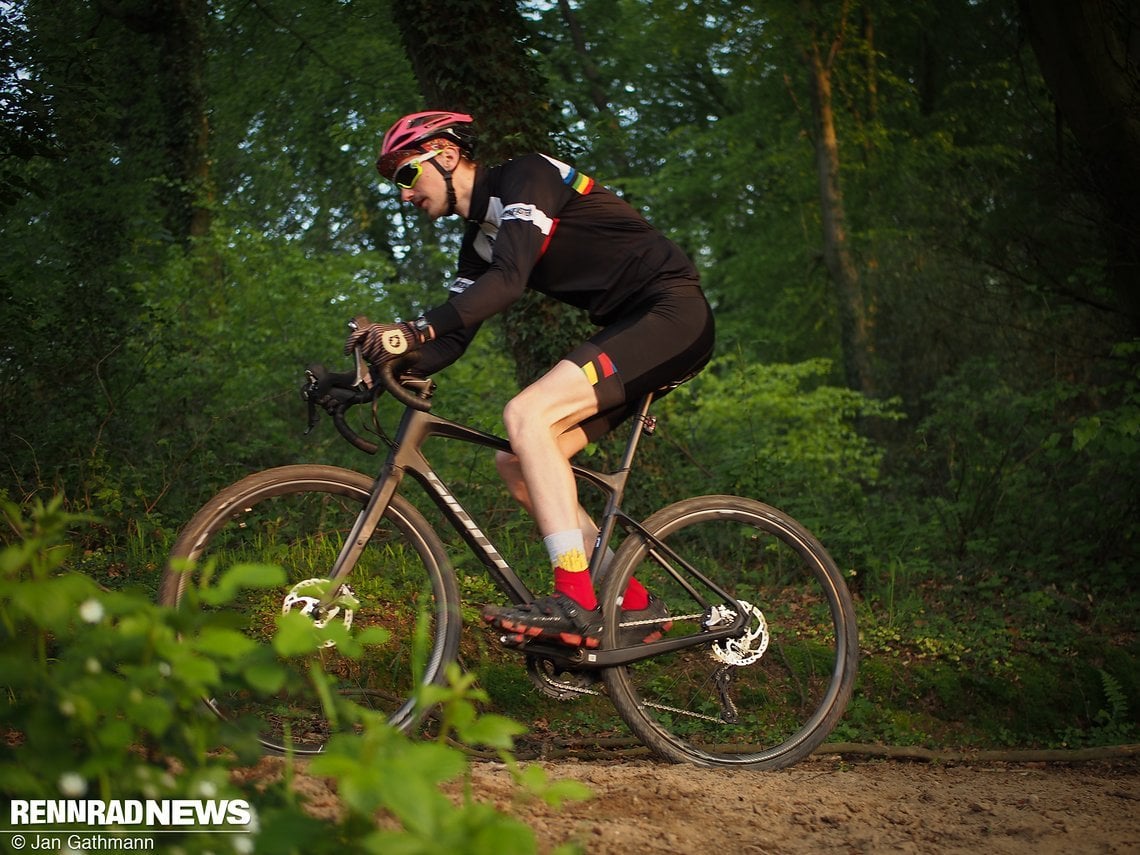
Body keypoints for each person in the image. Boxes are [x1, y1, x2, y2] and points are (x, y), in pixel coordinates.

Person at [346, 110, 715, 648]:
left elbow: (509, 281)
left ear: (446, 155)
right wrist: (364, 375)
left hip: (671, 313)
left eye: (405, 175)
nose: (403, 195)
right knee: (517, 462)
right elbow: (448, 340)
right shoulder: (476, 243)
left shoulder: (527, 176)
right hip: (634, 329)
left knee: (526, 414)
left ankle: (575, 598)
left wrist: (410, 330)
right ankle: (632, 605)